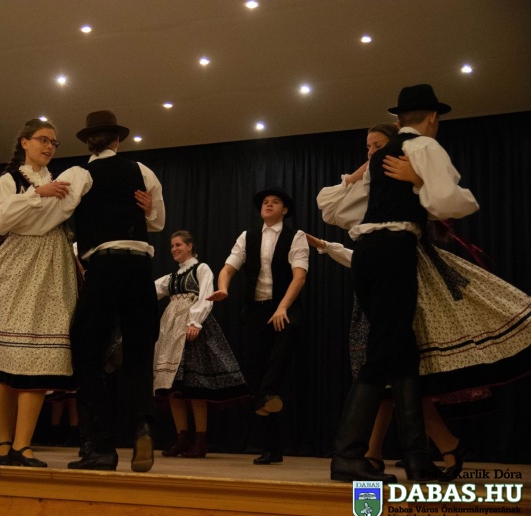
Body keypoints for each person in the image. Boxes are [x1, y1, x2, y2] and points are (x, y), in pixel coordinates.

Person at [315, 122, 531, 482]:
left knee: (401, 360)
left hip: (406, 265)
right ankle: (366, 455)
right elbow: (330, 208)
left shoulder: (410, 165)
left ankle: (410, 457)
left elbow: (442, 207)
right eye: (368, 147)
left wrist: (416, 179)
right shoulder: (373, 180)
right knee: (391, 359)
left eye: (379, 145)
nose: (373, 152)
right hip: (383, 266)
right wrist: (358, 173)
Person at [328, 84, 480, 483]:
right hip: (394, 250)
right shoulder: (425, 146)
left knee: (403, 353)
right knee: (384, 350)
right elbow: (448, 202)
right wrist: (420, 182)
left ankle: (417, 459)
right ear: (433, 117)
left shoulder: (380, 157)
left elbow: (338, 212)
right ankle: (346, 455)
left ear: (399, 120)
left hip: (367, 253)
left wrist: (413, 184)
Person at [31, 110, 165, 472]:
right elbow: (158, 221)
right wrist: (149, 211)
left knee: (87, 352)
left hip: (104, 265)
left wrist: (37, 193)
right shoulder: (143, 171)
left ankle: (102, 446)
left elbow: (53, 214)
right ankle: (143, 424)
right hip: (140, 265)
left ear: (89, 143)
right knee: (139, 352)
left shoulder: (79, 174)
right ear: (118, 141)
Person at [0, 118, 78, 468]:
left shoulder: (58, 181)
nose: (49, 147)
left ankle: (22, 444)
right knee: (6, 357)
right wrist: (36, 194)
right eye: (43, 140)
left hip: (52, 266)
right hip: (17, 264)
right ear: (25, 142)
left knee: (40, 355)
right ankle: (5, 443)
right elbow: (0, 220)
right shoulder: (11, 180)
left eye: (53, 143)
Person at [208, 187, 308, 465]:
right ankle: (271, 448)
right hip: (255, 312)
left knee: (275, 367)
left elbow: (299, 277)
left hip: (286, 307)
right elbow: (228, 268)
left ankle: (268, 392)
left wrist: (282, 307)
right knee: (258, 376)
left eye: (275, 202)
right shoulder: (247, 237)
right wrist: (223, 288)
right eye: (265, 202)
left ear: (284, 210)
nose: (269, 205)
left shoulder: (296, 236)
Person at [154, 231, 247, 458]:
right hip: (171, 332)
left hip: (191, 329)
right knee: (172, 388)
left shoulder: (201, 268)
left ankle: (200, 439)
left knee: (195, 386)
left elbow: (206, 295)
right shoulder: (172, 277)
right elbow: (150, 291)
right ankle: (181, 437)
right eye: (172, 246)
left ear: (190, 246)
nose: (174, 249)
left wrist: (195, 321)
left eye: (178, 244)